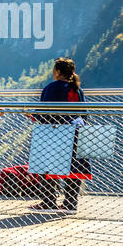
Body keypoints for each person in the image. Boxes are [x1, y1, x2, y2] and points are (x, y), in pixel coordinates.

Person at [31, 58, 89, 213]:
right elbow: (84, 114)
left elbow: (45, 113)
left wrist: (31, 114)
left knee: (48, 166)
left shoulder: (52, 88)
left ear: (57, 72)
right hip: (77, 133)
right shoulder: (77, 89)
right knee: (74, 169)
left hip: (56, 134)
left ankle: (48, 201)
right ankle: (70, 203)